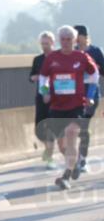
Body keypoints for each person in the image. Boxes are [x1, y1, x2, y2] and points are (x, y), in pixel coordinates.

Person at [38, 25, 100, 190]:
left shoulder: (81, 57)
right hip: (57, 105)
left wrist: (90, 95)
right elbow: (43, 77)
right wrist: (45, 92)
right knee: (62, 145)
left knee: (71, 133)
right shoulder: (52, 58)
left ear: (75, 40)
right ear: (59, 40)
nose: (66, 43)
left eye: (69, 40)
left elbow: (94, 75)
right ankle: (76, 161)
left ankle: (66, 176)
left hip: (76, 104)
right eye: (63, 39)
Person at [74, 24, 104, 172]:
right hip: (73, 95)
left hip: (91, 94)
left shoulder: (96, 51)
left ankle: (82, 159)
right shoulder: (71, 53)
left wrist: (94, 67)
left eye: (75, 36)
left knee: (83, 127)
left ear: (83, 36)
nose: (73, 40)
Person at [29, 31, 57, 168]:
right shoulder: (38, 59)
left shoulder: (58, 58)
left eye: (47, 43)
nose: (44, 46)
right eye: (42, 44)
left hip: (56, 97)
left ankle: (50, 157)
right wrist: (36, 77)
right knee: (40, 127)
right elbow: (32, 76)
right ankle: (48, 149)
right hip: (41, 97)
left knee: (51, 126)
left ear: (53, 43)